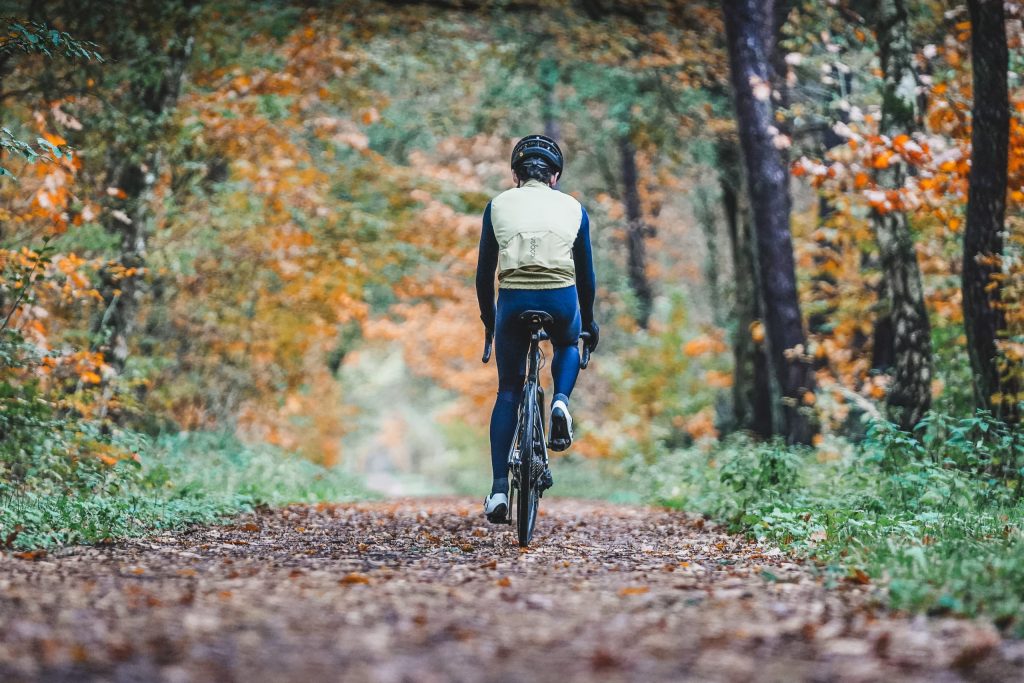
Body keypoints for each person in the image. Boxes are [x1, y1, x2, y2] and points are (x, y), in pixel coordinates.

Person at [475, 134, 599, 522]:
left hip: (512, 300)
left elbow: (483, 275)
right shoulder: (574, 209)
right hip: (560, 298)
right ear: (555, 176)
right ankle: (560, 399)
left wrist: (489, 321)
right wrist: (589, 320)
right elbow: (587, 277)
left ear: (515, 175)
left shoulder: (497, 206)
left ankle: (498, 490)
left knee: (509, 391)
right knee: (566, 341)